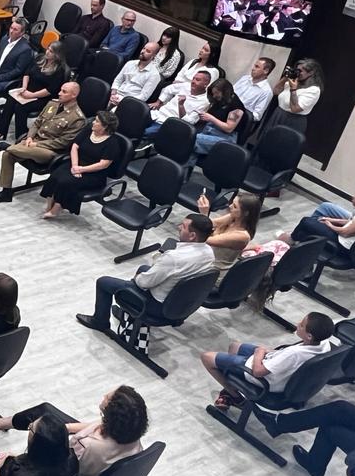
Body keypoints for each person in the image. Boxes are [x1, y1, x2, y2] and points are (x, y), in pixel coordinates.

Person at [0, 386, 149, 476]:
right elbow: (96, 425)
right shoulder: (129, 432)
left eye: (107, 399)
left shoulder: (87, 446)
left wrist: (19, 456)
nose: (103, 396)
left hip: (66, 471)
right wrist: (66, 427)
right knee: (46, 411)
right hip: (92, 461)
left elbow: (57, 461)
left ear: (113, 412)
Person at [76, 214, 216, 331]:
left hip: (158, 306)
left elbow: (144, 282)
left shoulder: (173, 258)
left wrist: (137, 279)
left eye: (183, 226)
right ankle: (129, 313)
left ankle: (100, 322)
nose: (179, 227)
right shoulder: (209, 253)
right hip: (181, 302)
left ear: (192, 236)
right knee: (143, 269)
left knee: (104, 282)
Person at [201, 311, 335, 409]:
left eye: (302, 325)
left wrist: (260, 352)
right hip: (275, 363)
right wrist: (271, 353)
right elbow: (286, 357)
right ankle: (231, 388)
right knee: (234, 346)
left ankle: (235, 397)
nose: (298, 323)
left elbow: (258, 372)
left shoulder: (294, 354)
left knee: (207, 357)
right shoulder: (324, 344)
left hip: (264, 379)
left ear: (309, 335)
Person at [0, 82, 86, 204]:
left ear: (74, 95)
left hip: (50, 151)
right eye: (60, 90)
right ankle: (6, 192)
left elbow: (62, 142)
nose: (59, 93)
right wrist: (29, 137)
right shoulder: (52, 104)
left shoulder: (77, 118)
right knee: (8, 155)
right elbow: (37, 123)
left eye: (64, 92)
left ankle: (5, 146)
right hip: (34, 142)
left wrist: (37, 145)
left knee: (10, 150)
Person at [39, 110, 129, 217]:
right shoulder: (88, 131)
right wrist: (75, 166)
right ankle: (49, 204)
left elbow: (103, 164)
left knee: (66, 182)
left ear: (104, 127)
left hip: (94, 173)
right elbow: (75, 146)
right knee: (55, 176)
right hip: (76, 163)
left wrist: (81, 169)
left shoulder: (112, 144)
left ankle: (55, 209)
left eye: (96, 121)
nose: (93, 123)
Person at [0, 42, 69, 141]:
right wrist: (24, 87)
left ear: (57, 55)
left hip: (42, 97)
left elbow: (50, 90)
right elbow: (26, 73)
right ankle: (0, 131)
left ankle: (21, 135)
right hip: (27, 90)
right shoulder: (40, 58)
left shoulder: (59, 70)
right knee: (11, 100)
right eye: (48, 49)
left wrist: (32, 95)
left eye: (51, 51)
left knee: (20, 107)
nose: (47, 52)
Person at [197, 191, 260, 281]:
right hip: (206, 261)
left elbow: (204, 239)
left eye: (234, 206)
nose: (230, 206)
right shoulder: (232, 217)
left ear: (246, 213)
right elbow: (209, 224)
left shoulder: (242, 236)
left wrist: (204, 214)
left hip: (214, 273)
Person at [255, 58, 323, 138]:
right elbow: (276, 91)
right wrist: (286, 77)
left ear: (311, 73)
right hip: (278, 114)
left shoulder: (313, 90)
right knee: (267, 139)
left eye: (300, 71)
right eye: (297, 70)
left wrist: (293, 89)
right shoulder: (293, 82)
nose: (297, 73)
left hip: (293, 120)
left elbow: (295, 108)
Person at [143, 70, 211, 137]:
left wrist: (181, 106)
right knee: (134, 121)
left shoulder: (204, 102)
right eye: (193, 78)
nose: (193, 81)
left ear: (206, 84)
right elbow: (168, 89)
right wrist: (159, 102)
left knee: (143, 132)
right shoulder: (186, 86)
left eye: (197, 80)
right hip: (156, 114)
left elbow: (190, 122)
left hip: (168, 123)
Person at [191, 77, 246, 157]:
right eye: (213, 93)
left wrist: (210, 118)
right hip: (211, 129)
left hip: (226, 138)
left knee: (191, 140)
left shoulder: (236, 106)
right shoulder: (219, 100)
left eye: (216, 93)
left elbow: (229, 128)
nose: (214, 96)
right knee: (190, 138)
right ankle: (187, 168)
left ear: (225, 92)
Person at [108, 42, 162, 106]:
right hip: (116, 95)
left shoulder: (154, 75)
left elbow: (143, 97)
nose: (143, 51)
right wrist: (113, 93)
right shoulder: (130, 63)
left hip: (130, 102)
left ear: (154, 56)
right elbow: (118, 80)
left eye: (148, 51)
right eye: (144, 48)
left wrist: (123, 101)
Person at [232, 57, 276, 124]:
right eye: (254, 66)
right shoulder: (245, 78)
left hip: (239, 120)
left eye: (257, 67)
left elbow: (257, 116)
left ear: (266, 71)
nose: (253, 69)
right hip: (227, 110)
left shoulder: (266, 91)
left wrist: (239, 113)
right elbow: (230, 93)